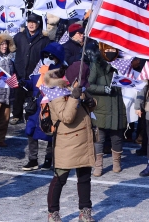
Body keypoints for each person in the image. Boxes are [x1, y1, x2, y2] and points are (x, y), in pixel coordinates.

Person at [45, 67, 97, 222]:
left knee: (85, 178)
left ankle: (85, 211)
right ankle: (53, 213)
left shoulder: (76, 88)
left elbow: (90, 107)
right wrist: (74, 98)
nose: (82, 85)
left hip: (84, 139)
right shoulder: (56, 92)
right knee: (60, 178)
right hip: (67, 142)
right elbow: (66, 117)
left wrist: (90, 101)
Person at [21, 43, 64, 171]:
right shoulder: (40, 69)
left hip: (50, 108)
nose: (48, 58)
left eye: (51, 56)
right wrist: (24, 82)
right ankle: (32, 159)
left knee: (51, 133)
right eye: (45, 55)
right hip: (36, 109)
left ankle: (48, 159)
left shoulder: (61, 73)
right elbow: (33, 84)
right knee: (31, 132)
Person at [87, 43, 126, 176]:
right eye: (107, 49)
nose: (110, 52)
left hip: (118, 105)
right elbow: (89, 85)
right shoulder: (97, 65)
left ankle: (116, 163)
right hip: (101, 107)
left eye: (112, 50)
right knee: (99, 137)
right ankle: (98, 165)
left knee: (117, 137)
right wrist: (103, 89)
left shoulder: (122, 65)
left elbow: (129, 81)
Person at [12, 13, 51, 125]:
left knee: (33, 95)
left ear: (38, 24)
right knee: (18, 94)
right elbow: (11, 49)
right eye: (29, 22)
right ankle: (16, 115)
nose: (31, 24)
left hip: (35, 72)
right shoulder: (19, 36)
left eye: (34, 22)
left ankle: (31, 115)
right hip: (20, 70)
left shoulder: (44, 39)